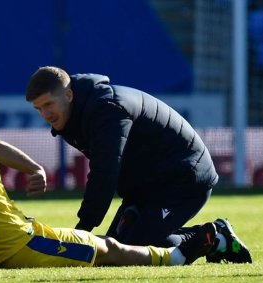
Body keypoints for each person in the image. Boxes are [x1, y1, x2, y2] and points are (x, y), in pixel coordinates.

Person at [0, 86, 218, 270]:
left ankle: (186, 242)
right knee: (106, 249)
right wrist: (34, 169)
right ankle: (176, 256)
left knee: (107, 244)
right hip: (16, 242)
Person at [25, 66, 252, 264]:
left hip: (185, 180)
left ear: (69, 94)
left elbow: (105, 171)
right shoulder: (74, 113)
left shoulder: (107, 108)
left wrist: (83, 229)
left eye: (48, 104)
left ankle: (217, 238)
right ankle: (207, 236)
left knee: (138, 248)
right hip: (150, 186)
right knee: (119, 249)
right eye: (38, 109)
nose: (45, 114)